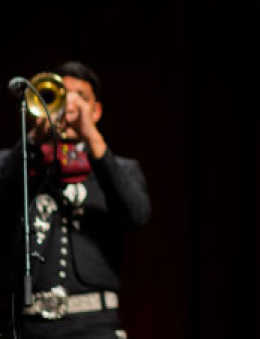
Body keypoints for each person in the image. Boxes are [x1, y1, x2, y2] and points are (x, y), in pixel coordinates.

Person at [0, 61, 151, 339]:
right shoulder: (16, 163)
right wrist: (33, 140)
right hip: (28, 328)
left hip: (95, 326)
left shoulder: (122, 169)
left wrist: (92, 137)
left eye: (80, 97)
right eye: (59, 96)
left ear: (96, 111)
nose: (68, 107)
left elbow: (136, 214)